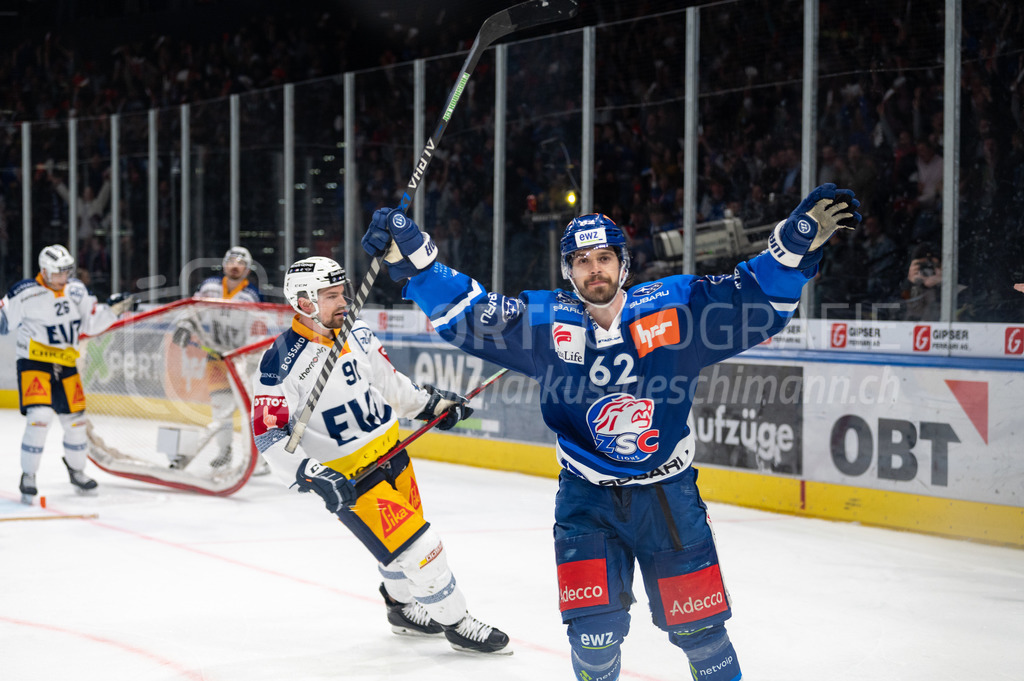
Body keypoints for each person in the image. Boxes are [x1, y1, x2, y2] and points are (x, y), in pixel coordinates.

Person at [362, 184, 861, 681]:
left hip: (669, 498)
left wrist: (793, 244)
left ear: (624, 264)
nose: (593, 268)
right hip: (586, 503)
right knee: (593, 640)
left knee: (701, 634)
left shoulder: (677, 306)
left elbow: (753, 301)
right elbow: (467, 313)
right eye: (581, 260)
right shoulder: (543, 322)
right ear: (567, 270)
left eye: (604, 257)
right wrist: (418, 260)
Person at [251, 256, 510, 655]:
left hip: (394, 455)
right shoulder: (280, 363)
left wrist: (430, 405)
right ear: (304, 303)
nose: (344, 301)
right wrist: (311, 473)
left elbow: (389, 385)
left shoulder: (357, 331)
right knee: (423, 548)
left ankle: (401, 608)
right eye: (331, 296)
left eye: (343, 292)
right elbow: (269, 434)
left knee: (399, 549)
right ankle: (457, 624)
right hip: (351, 479)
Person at [0, 245, 136, 503]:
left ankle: (77, 471)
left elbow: (91, 323)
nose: (64, 277)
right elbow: (3, 320)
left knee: (76, 422)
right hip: (34, 364)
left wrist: (111, 311)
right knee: (39, 417)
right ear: (44, 271)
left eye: (67, 271)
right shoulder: (25, 293)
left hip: (66, 366)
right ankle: (28, 475)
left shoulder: (76, 290)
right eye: (58, 272)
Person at [170, 246, 264, 471]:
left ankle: (260, 460)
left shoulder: (251, 296)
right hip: (216, 359)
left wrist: (250, 359)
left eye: (240, 263)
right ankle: (224, 453)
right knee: (221, 408)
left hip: (241, 362)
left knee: (250, 411)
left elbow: (258, 330)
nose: (235, 266)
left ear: (248, 269)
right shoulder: (210, 287)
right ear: (224, 264)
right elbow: (192, 309)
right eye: (231, 261)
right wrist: (184, 324)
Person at [901, 242, 942, 321]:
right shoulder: (907, 287)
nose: (927, 270)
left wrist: (943, 283)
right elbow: (892, 305)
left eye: (932, 266)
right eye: (922, 265)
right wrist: (909, 282)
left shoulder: (956, 290)